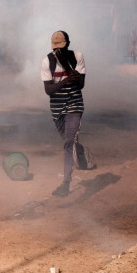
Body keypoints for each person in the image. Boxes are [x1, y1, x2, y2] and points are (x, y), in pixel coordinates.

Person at [40, 30, 86, 197]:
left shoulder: (77, 57)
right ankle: (78, 149)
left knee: (67, 144)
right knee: (69, 142)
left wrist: (70, 70)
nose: (58, 51)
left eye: (61, 47)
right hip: (57, 108)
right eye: (55, 48)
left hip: (74, 105)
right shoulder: (47, 61)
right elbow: (48, 90)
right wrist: (67, 78)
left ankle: (65, 183)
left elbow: (80, 85)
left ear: (68, 44)